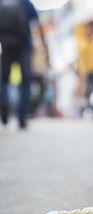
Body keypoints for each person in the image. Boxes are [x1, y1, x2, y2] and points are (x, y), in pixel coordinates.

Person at [0, 0, 49, 128]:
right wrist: (44, 47)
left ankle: (4, 103)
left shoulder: (3, 3)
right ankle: (22, 118)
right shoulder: (25, 3)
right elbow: (37, 25)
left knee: (4, 80)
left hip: (6, 46)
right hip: (24, 47)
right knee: (25, 82)